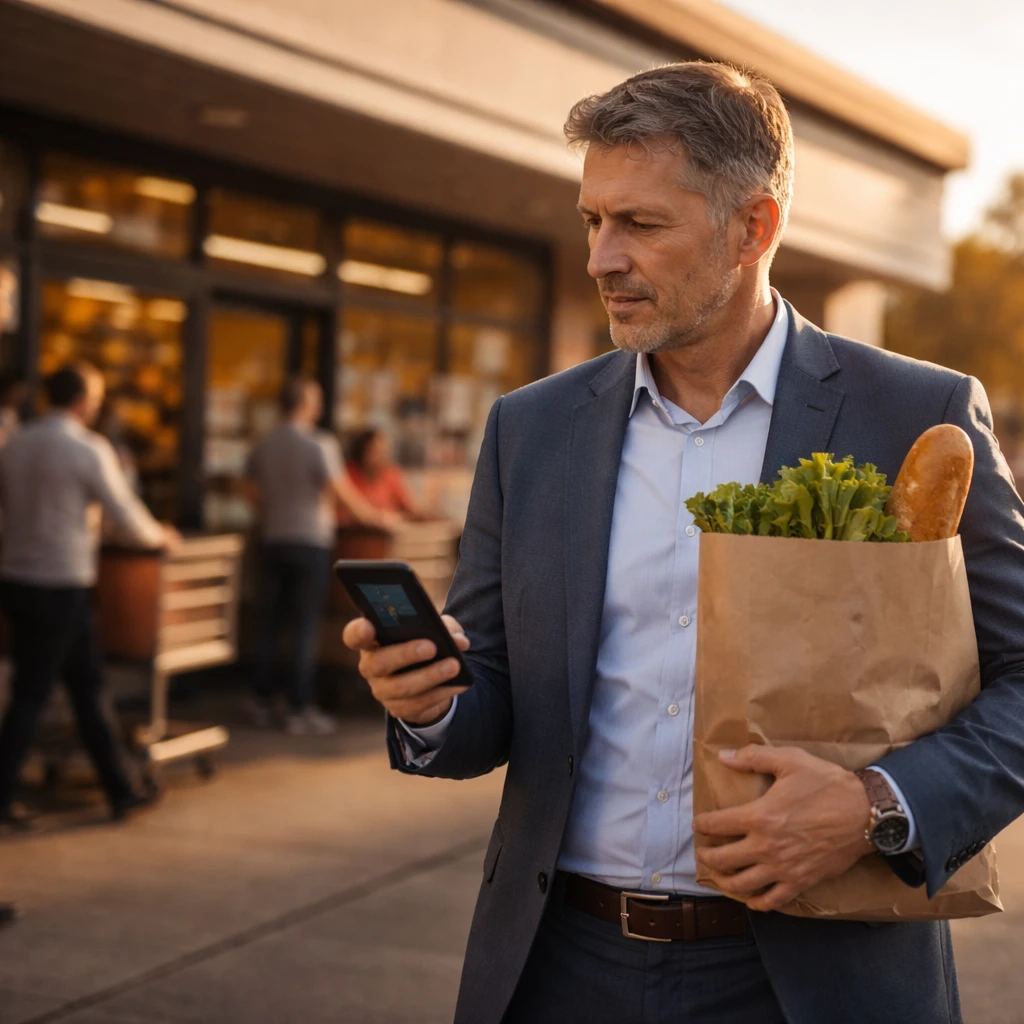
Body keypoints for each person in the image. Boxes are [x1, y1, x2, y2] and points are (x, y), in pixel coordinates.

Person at [344, 62, 1024, 1024]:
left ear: (756, 227)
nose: (601, 258)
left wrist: (878, 802)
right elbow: (491, 696)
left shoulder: (915, 414)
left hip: (815, 978)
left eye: (641, 225)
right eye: (593, 220)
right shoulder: (530, 430)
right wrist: (432, 701)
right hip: (556, 965)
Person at [0, 363, 178, 825]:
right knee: (33, 694)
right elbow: (127, 515)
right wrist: (160, 535)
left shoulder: (17, 442)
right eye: (96, 397)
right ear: (82, 400)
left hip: (18, 580)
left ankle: (119, 787)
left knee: (85, 689)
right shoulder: (87, 448)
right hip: (62, 584)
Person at [245, 379, 397, 735]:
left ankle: (261, 698)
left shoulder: (263, 444)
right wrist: (376, 517)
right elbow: (340, 492)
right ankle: (299, 707)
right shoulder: (319, 443)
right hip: (309, 541)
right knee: (303, 626)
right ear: (307, 404)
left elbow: (251, 493)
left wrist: (275, 513)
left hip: (271, 539)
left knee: (268, 621)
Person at [341, 428, 426, 522]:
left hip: (386, 531)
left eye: (384, 451)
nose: (383, 456)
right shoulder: (347, 475)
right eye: (376, 451)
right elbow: (349, 513)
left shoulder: (391, 474)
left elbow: (412, 509)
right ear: (362, 452)